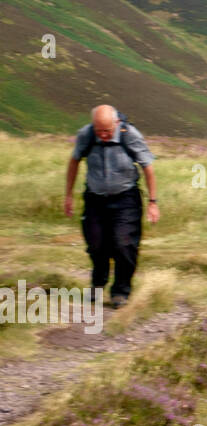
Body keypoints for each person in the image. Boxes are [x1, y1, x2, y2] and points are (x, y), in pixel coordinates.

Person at [64, 105, 159, 308]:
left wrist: (153, 202)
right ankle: (98, 284)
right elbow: (74, 161)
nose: (104, 135)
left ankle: (120, 291)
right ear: (93, 127)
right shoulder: (86, 135)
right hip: (95, 199)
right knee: (96, 244)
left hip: (126, 200)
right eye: (100, 131)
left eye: (107, 131)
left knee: (124, 244)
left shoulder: (129, 135)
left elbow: (148, 167)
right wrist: (68, 195)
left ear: (116, 123)